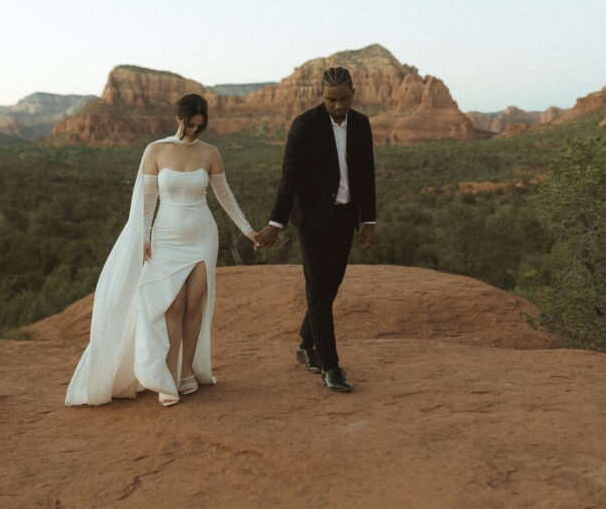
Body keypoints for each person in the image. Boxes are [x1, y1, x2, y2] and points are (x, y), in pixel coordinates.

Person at [66, 93, 259, 407]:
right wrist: (143, 236)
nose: (194, 132)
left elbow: (225, 197)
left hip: (202, 235)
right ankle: (165, 374)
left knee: (195, 306)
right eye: (189, 125)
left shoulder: (210, 153)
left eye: (200, 126)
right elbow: (146, 201)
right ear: (178, 118)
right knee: (172, 306)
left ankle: (185, 372)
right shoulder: (155, 150)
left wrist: (248, 229)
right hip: (166, 237)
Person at [255, 66, 376, 392]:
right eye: (331, 100)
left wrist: (369, 222)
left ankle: (306, 346)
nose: (338, 106)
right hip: (313, 221)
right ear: (321, 96)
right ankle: (331, 366)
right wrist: (275, 224)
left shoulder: (362, 124)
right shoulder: (305, 125)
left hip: (344, 219)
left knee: (330, 288)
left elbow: (366, 175)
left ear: (353, 92)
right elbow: (289, 179)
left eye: (344, 99)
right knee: (318, 291)